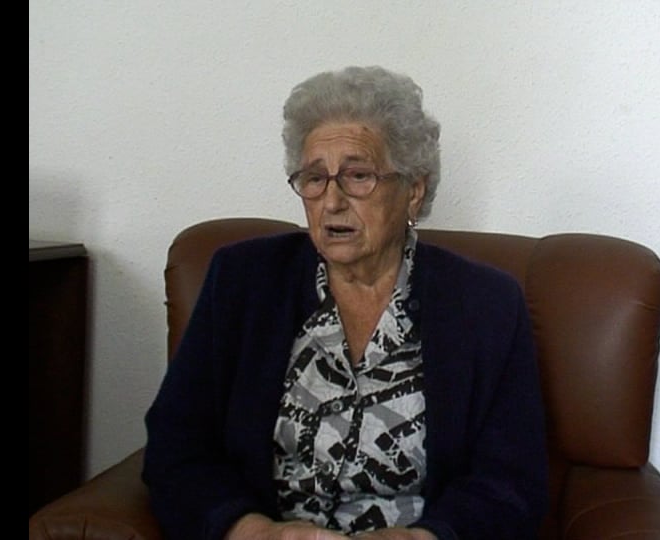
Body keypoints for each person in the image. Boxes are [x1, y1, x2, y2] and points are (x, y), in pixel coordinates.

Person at [142, 65, 549, 540]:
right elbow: (176, 445)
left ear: (413, 191)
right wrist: (250, 530)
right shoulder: (242, 282)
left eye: (358, 175)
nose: (331, 201)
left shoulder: (485, 304)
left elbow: (512, 481)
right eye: (314, 178)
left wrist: (425, 537)